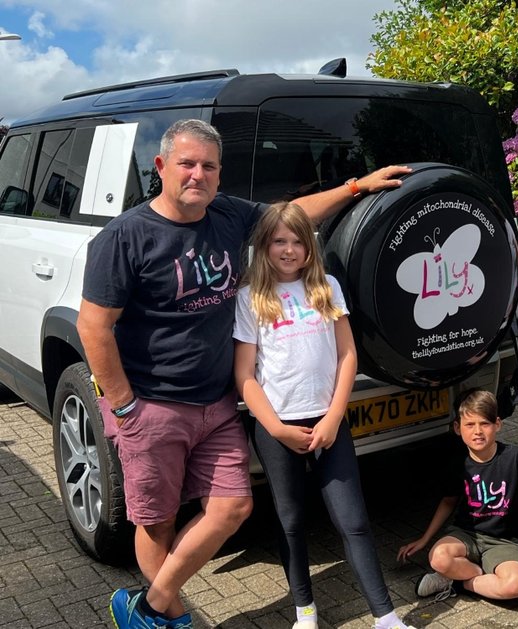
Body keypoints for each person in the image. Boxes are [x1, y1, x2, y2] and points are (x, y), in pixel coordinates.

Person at [76, 118, 410, 629]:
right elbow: (93, 327)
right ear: (161, 166)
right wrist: (124, 407)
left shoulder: (228, 215)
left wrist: (357, 186)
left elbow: (291, 216)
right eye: (187, 164)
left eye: (209, 166)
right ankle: (172, 616)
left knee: (232, 508)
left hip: (217, 403)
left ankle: (146, 606)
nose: (198, 175)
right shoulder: (125, 237)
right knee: (157, 518)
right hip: (152, 403)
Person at [233, 202, 415, 629]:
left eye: (298, 241)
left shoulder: (326, 286)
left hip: (329, 422)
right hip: (277, 429)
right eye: (279, 241)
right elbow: (244, 375)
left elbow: (348, 355)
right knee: (291, 521)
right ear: (264, 246)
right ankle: (305, 610)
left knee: (353, 521)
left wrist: (334, 416)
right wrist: (276, 428)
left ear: (310, 248)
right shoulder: (250, 298)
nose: (289, 250)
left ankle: (385, 617)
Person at [397, 389, 518, 602]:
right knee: (438, 558)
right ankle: (479, 579)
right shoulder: (458, 463)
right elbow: (448, 502)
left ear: (498, 425)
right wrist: (424, 539)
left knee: (514, 587)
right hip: (466, 535)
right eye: (470, 425)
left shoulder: (515, 457)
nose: (478, 431)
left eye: (484, 424)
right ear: (458, 428)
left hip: (505, 541)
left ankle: (456, 581)